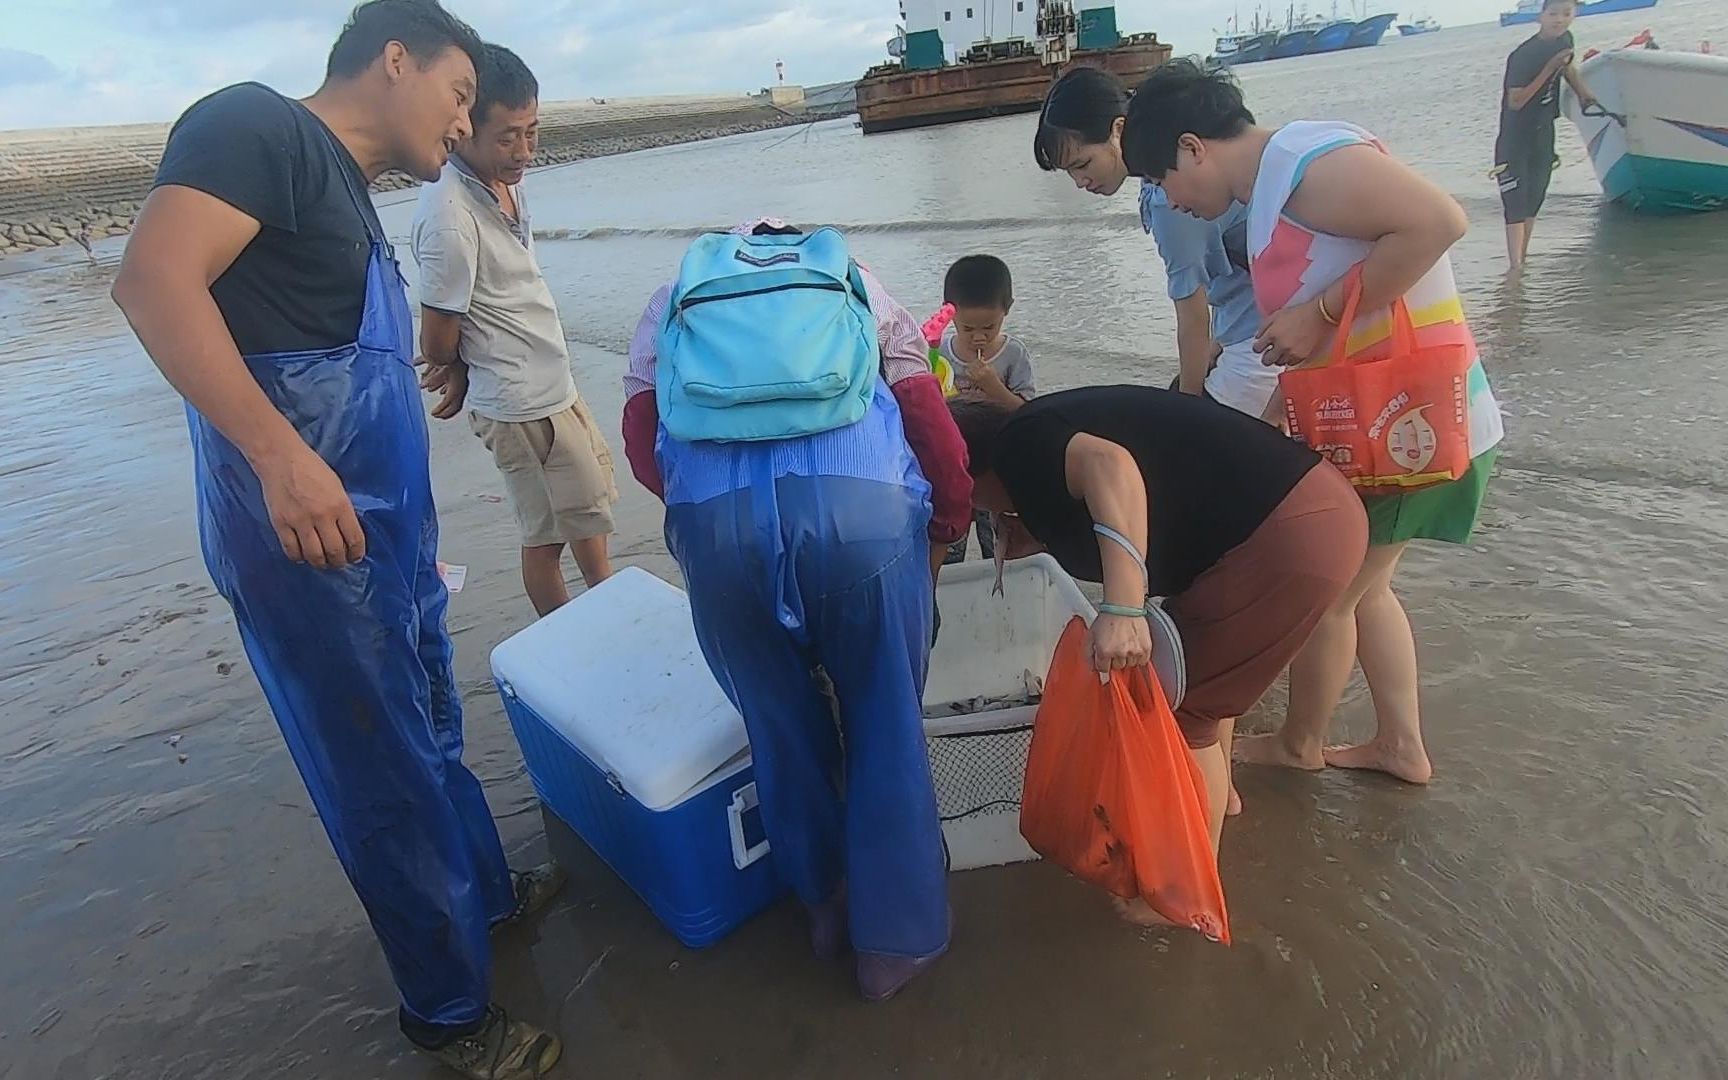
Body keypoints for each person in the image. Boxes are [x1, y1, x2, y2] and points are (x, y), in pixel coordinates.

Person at [111, 4, 563, 1077]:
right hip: (309, 543)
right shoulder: (256, 127)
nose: (463, 122)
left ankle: (486, 901)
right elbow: (152, 280)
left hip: (385, 539)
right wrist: (276, 455)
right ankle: (450, 1021)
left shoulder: (348, 192)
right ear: (394, 59)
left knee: (432, 724)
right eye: (459, 95)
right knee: (381, 771)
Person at [1121, 61, 1505, 786]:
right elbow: (1319, 335)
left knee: (1329, 593)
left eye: (1160, 178)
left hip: (1410, 425)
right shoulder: (1271, 192)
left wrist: (1319, 313)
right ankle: (1400, 746)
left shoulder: (1302, 163)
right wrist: (1268, 427)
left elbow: (1439, 221)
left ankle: (1303, 745)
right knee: (1368, 589)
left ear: (1193, 147)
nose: (1166, 198)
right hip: (1394, 423)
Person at [622, 218, 973, 1001]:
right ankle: (898, 947)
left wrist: (709, 527)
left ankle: (824, 905)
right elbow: (927, 417)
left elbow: (644, 440)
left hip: (718, 535)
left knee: (777, 727)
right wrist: (947, 519)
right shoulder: (858, 278)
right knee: (885, 724)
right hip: (864, 524)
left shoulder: (671, 296)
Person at [950, 388, 1365, 898]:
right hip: (1320, 511)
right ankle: (1220, 800)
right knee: (1204, 681)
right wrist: (1040, 531)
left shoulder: (1021, 443)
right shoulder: (1037, 446)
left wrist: (1122, 610)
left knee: (1183, 713)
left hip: (1289, 534)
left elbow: (1112, 465)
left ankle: (1184, 890)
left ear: (963, 465)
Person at [413, 44, 617, 617]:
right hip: (519, 404)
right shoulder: (450, 217)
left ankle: (608, 609)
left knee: (587, 509)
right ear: (464, 128)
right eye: (507, 137)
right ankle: (572, 641)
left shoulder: (504, 185)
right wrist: (455, 366)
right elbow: (436, 336)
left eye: (532, 131)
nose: (524, 151)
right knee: (545, 535)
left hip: (552, 386)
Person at [1034, 66, 1277, 418]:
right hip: (1247, 328)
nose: (1080, 181)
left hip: (1262, 345)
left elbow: (1192, 315)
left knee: (1194, 445)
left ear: (1118, 130)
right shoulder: (1173, 168)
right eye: (1069, 171)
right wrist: (1216, 343)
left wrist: (1187, 414)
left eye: (1083, 163)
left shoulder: (1167, 196)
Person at [939, 254, 1035, 564]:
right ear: (949, 314)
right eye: (968, 328)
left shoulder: (1013, 355)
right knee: (950, 535)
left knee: (995, 540)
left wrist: (994, 387)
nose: (979, 335)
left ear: (1006, 310)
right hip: (954, 462)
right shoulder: (940, 353)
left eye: (989, 326)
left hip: (997, 466)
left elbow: (1027, 414)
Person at [1495, 0, 1598, 271]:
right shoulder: (1523, 55)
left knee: (1534, 199)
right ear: (1540, 16)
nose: (1559, 19)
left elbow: (1568, 67)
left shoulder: (1566, 40)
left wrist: (1584, 94)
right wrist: (1549, 68)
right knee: (1516, 204)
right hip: (1515, 137)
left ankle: (1522, 263)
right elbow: (1516, 101)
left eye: (1567, 13)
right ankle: (1514, 269)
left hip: (1544, 131)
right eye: (1553, 14)